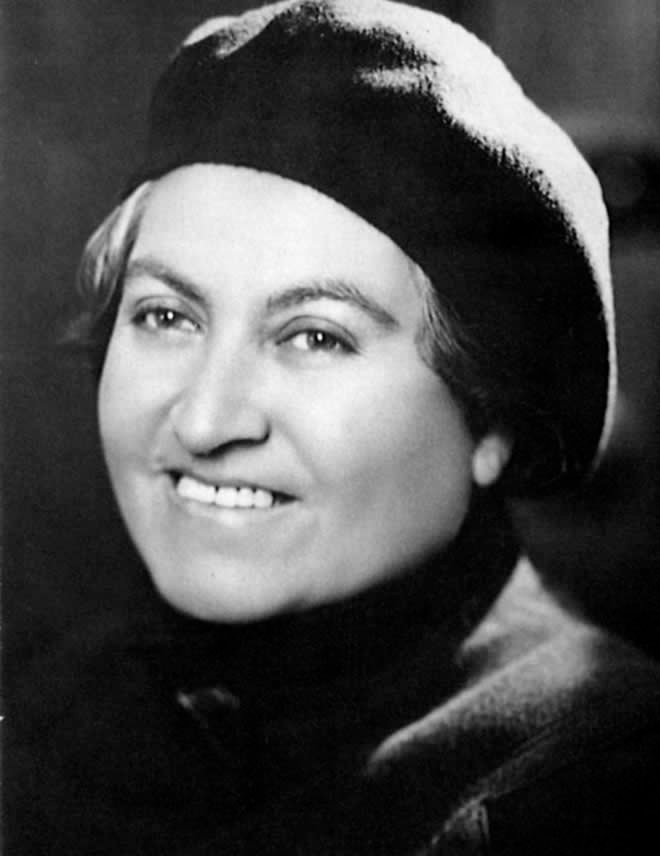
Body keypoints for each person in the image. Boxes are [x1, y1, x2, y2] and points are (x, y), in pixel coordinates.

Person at [9, 1, 660, 854]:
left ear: (493, 415)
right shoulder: (59, 714)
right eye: (166, 316)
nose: (205, 420)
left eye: (316, 337)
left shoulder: (584, 786)